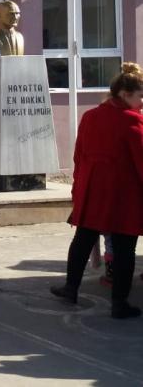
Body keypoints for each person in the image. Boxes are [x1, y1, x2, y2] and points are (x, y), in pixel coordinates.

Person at [50, 62, 143, 319]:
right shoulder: (133, 123)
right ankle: (119, 303)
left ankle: (71, 288)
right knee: (125, 249)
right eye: (140, 96)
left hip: (93, 193)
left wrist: (78, 188)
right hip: (123, 197)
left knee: (82, 240)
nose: (142, 102)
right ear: (125, 94)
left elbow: (79, 157)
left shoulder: (90, 117)